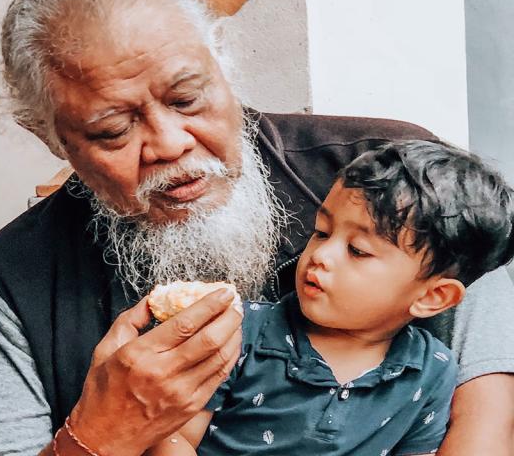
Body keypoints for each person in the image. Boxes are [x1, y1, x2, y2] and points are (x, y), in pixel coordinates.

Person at [0, 0, 514, 456]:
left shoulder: (393, 177)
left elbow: (487, 412)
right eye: (113, 130)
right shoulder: (9, 286)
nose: (170, 144)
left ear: (222, 55)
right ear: (48, 135)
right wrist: (101, 433)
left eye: (187, 97)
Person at [147, 140, 514, 455]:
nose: (321, 255)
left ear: (433, 298)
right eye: (322, 232)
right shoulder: (237, 333)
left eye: (357, 250)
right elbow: (172, 435)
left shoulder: (431, 371)